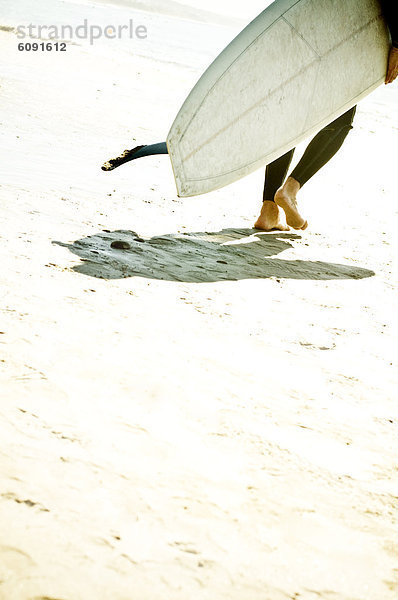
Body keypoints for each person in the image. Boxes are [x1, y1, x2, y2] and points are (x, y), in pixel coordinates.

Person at [102, 2, 398, 231]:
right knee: (340, 122)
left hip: (302, 30)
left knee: (286, 116)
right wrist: (396, 43)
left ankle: (269, 209)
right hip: (345, 35)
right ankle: (290, 190)